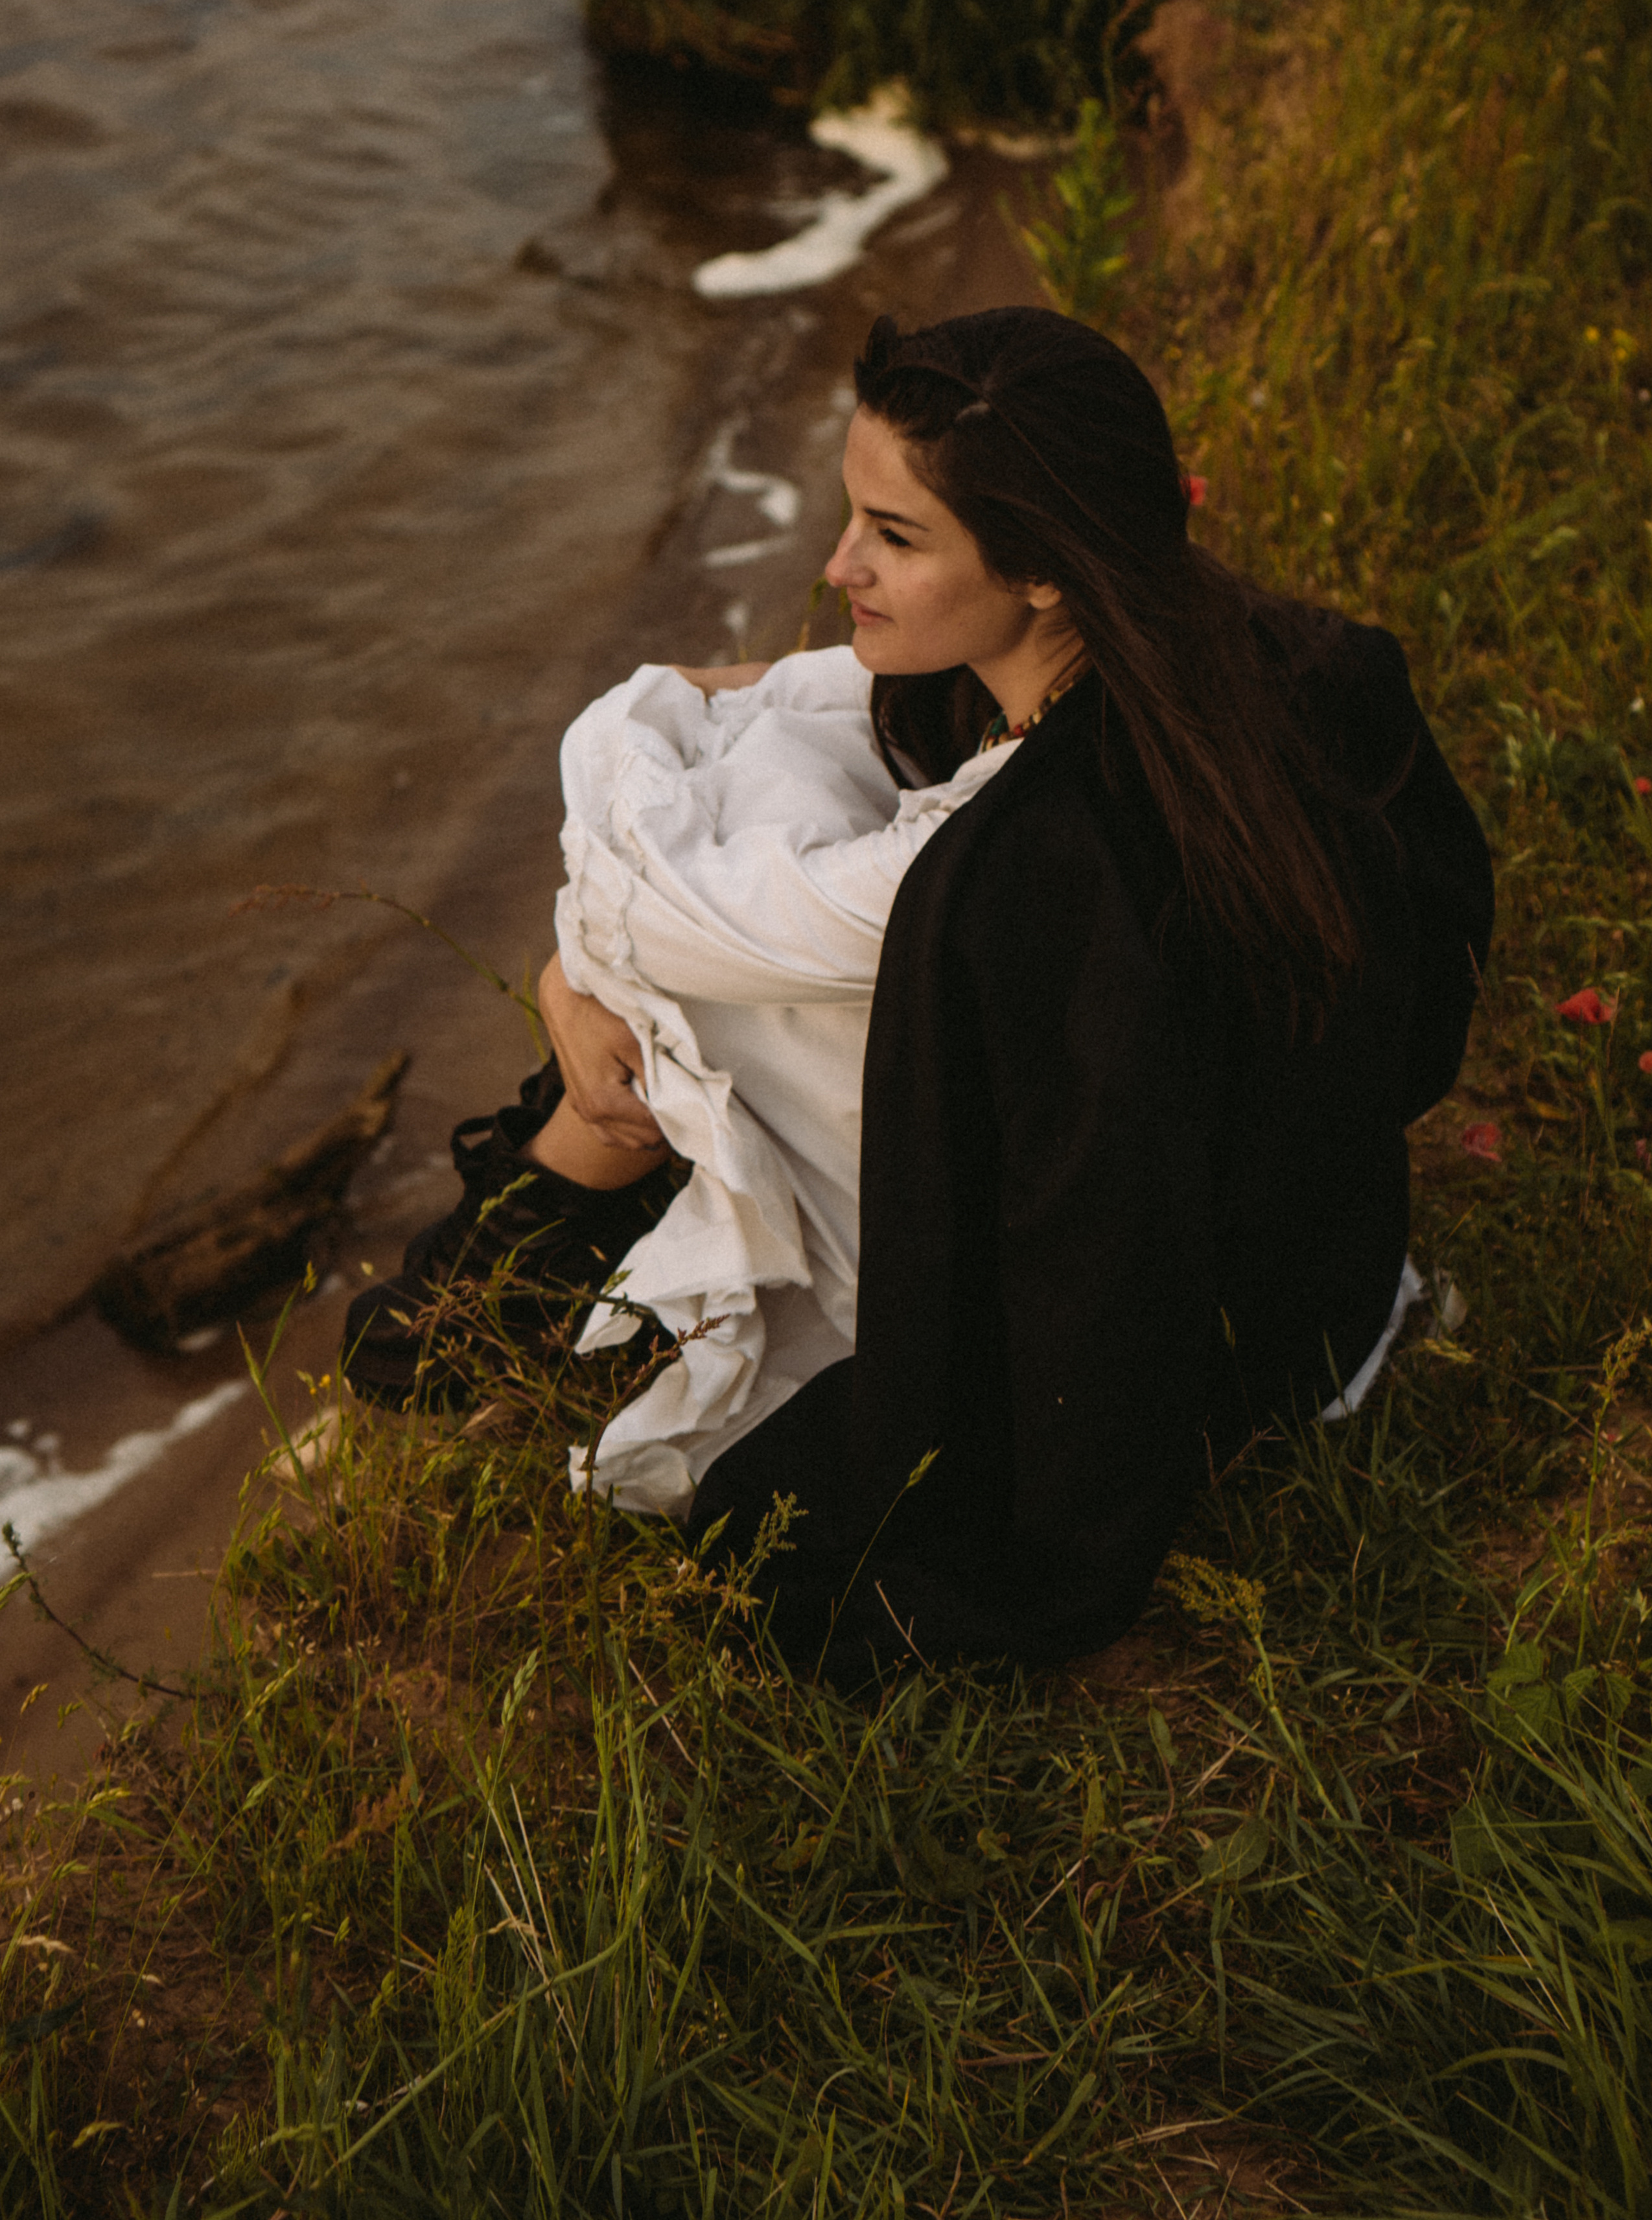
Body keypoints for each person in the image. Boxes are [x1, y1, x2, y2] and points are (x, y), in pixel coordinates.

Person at [344, 307, 1493, 1675]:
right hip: (1328, 1280)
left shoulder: (1012, 879)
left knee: (675, 1057)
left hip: (1199, 1355)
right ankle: (482, 1287)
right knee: (695, 939)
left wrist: (587, 969)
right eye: (850, 516)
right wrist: (577, 970)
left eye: (893, 537)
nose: (838, 566)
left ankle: (460, 1318)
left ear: (1046, 568)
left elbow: (1085, 1271)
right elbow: (1429, 1003)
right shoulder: (1276, 661)